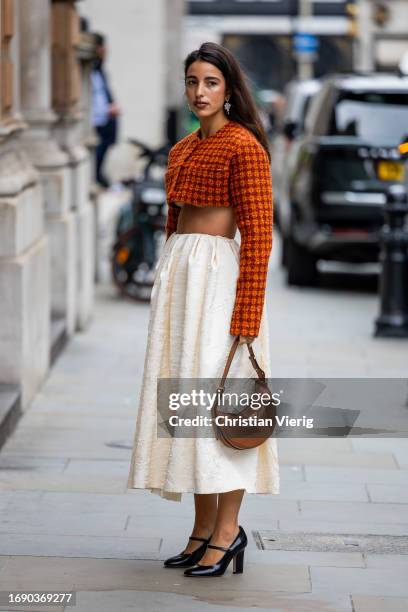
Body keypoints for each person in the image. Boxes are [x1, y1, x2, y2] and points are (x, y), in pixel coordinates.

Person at [127, 41, 280, 578]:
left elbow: (259, 236)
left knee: (224, 409)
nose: (200, 92)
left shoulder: (245, 148)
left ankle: (227, 532)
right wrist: (163, 286)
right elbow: (173, 225)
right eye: (192, 81)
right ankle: (200, 529)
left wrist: (247, 316)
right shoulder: (181, 149)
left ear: (230, 88)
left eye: (211, 82)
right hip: (181, 283)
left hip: (220, 283)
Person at [91, 32, 121, 188]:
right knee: (97, 149)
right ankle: (95, 176)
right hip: (97, 119)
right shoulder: (92, 69)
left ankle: (98, 174)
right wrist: (107, 109)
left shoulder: (99, 70)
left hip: (104, 119)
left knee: (104, 145)